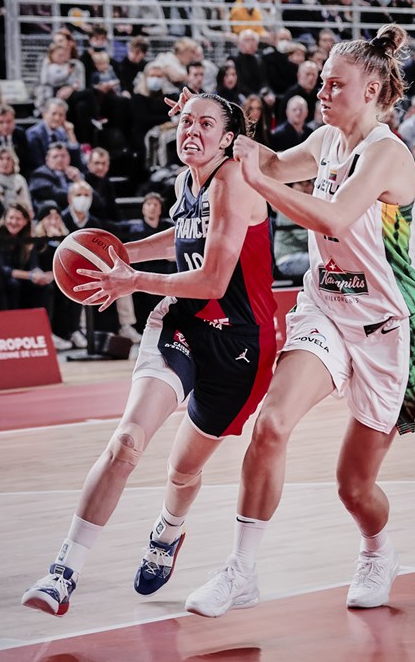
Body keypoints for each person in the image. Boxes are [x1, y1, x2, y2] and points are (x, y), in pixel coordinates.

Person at [184, 24, 415, 618]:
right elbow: (267, 159)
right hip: (325, 306)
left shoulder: (386, 153)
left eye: (335, 84)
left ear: (371, 89)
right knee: (269, 425)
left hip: (386, 327)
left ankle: (378, 550)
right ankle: (241, 572)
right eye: (321, 81)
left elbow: (335, 220)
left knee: (354, 488)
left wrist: (262, 182)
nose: (322, 92)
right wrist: (211, 126)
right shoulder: (326, 140)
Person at [21, 92, 277, 616]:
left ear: (230, 139)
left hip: (240, 345)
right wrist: (118, 254)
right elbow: (182, 240)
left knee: (183, 471)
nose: (192, 130)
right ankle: (63, 571)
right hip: (181, 326)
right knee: (126, 444)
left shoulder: (236, 180)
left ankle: (169, 530)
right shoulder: (189, 180)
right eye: (186, 121)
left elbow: (211, 279)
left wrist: (130, 280)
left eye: (206, 123)